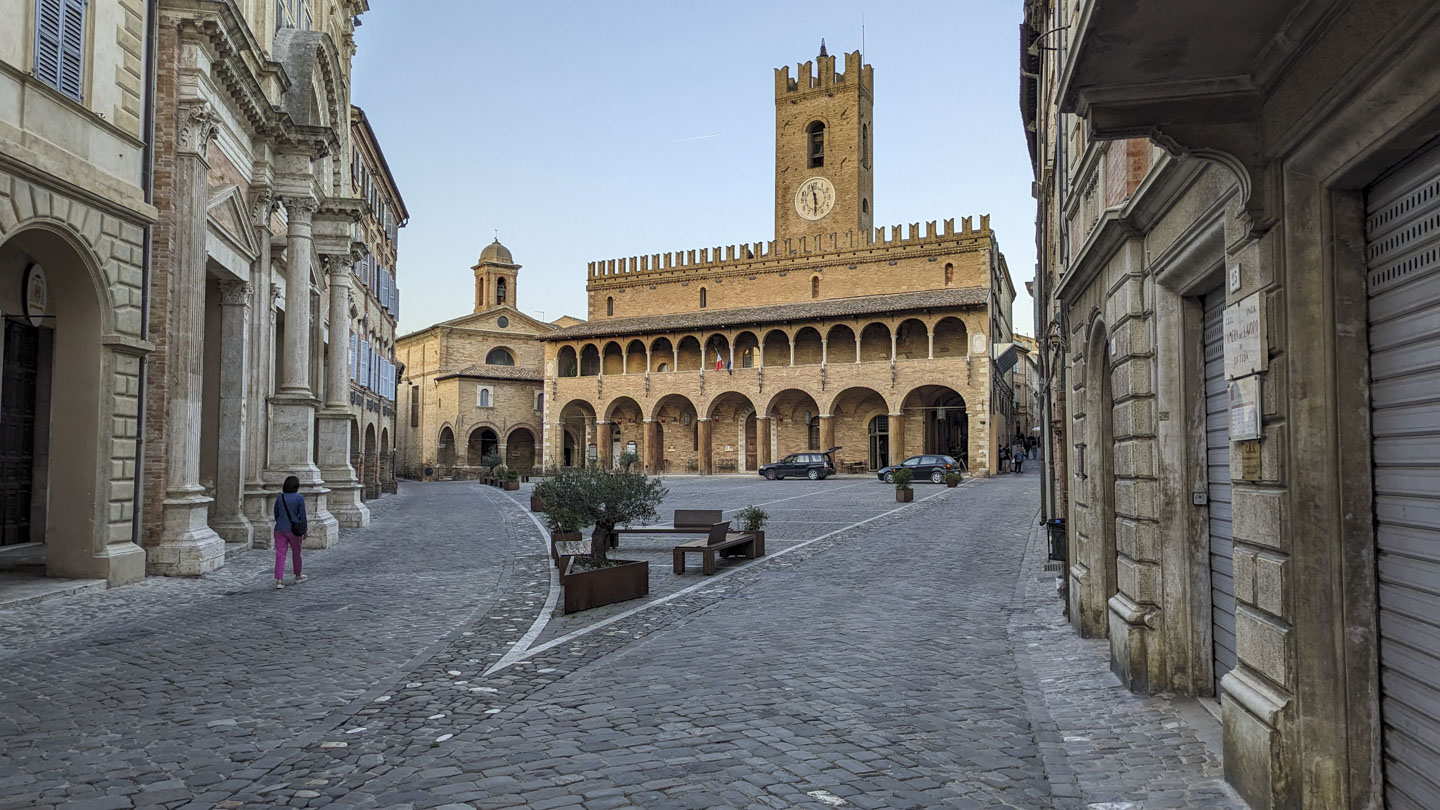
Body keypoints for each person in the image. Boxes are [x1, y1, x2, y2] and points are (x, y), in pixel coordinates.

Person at [273, 475, 308, 589]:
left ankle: (279, 580)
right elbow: (303, 516)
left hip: (280, 529)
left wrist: (281, 522)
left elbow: (276, 513)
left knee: (280, 554)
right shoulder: (299, 498)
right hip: (294, 530)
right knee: (296, 553)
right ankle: (298, 575)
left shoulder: (280, 498)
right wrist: (304, 529)